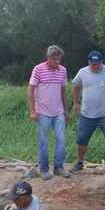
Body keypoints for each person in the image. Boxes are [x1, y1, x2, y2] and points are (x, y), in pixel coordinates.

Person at [28, 45, 71, 179]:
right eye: (54, 59)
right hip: (42, 112)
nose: (57, 62)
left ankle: (58, 167)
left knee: (62, 140)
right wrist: (32, 111)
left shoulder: (63, 70)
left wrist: (66, 110)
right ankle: (44, 169)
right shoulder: (38, 69)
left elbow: (63, 91)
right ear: (48, 58)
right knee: (43, 142)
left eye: (58, 59)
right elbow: (30, 90)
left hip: (58, 111)